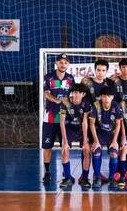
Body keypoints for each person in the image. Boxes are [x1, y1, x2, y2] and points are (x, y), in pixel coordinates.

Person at [42, 53, 75, 183]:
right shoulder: (49, 77)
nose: (63, 64)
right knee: (47, 146)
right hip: (50, 117)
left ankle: (66, 174)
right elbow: (46, 94)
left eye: (66, 62)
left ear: (68, 64)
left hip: (65, 119)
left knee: (65, 147)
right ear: (57, 63)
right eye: (61, 62)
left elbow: (74, 95)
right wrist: (57, 101)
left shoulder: (71, 79)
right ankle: (47, 172)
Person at [81, 59, 115, 184]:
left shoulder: (110, 83)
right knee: (87, 148)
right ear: (94, 70)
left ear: (106, 71)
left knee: (103, 149)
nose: (100, 73)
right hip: (90, 119)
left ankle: (98, 174)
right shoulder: (86, 82)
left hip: (105, 121)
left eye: (103, 70)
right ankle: (84, 175)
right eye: (98, 70)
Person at [89, 85, 127, 189]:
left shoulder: (117, 106)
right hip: (99, 134)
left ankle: (112, 178)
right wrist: (96, 141)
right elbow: (91, 124)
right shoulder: (95, 106)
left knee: (114, 152)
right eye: (104, 96)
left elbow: (119, 124)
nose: (106, 99)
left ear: (112, 97)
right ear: (100, 97)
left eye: (108, 96)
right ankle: (97, 177)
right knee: (96, 150)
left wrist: (115, 141)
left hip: (111, 134)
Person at [59, 83, 91, 188]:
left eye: (78, 93)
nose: (76, 95)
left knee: (87, 150)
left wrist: (86, 141)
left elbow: (85, 122)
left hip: (82, 130)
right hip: (69, 128)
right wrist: (65, 141)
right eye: (74, 92)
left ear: (83, 94)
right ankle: (68, 178)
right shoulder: (65, 102)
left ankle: (85, 178)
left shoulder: (86, 103)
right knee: (65, 149)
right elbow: (62, 122)